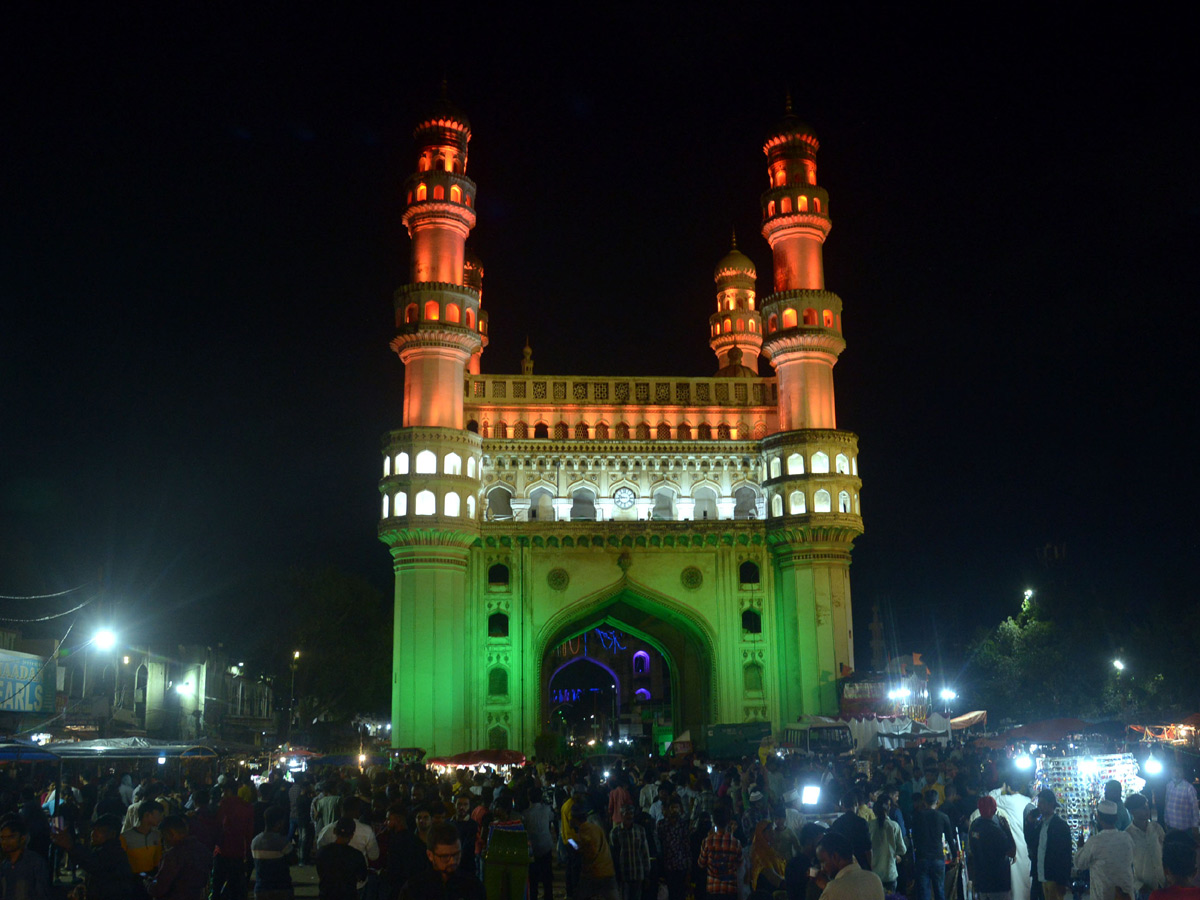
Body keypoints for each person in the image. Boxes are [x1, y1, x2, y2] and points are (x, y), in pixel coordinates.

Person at [51, 813, 137, 900]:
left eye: (100, 830)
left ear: (113, 834)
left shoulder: (113, 853)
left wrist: (71, 846)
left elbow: (93, 862)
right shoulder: (101, 850)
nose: (93, 834)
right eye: (94, 830)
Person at [398, 821, 485, 900]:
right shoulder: (414, 889)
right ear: (430, 855)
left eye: (456, 854)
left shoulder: (473, 886)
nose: (453, 861)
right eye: (445, 856)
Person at [1075, 800, 1135, 900]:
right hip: (1125, 895)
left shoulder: (1095, 842)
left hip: (1103, 895)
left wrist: (1080, 847)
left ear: (1098, 818)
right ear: (1116, 818)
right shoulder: (1126, 838)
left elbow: (1080, 864)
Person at [148, 815, 212, 900]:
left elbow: (160, 888)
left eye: (164, 836)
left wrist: (150, 885)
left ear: (171, 834)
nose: (164, 840)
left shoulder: (174, 855)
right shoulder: (203, 849)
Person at [1024, 789, 1072, 900]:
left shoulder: (1060, 826)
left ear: (1051, 804)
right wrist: (1030, 823)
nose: (1039, 805)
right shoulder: (1041, 825)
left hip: (1053, 879)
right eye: (1039, 802)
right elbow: (1031, 843)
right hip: (1039, 877)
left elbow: (1065, 855)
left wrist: (1063, 881)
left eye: (1042, 802)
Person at [911, 789, 958, 900]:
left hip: (922, 857)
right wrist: (955, 856)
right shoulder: (943, 817)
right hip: (937, 858)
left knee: (924, 893)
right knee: (939, 891)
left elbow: (914, 837)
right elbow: (950, 839)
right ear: (937, 802)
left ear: (924, 802)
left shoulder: (917, 816)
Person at [812, 831, 884, 900]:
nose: (822, 868)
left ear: (835, 857)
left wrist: (828, 888)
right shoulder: (875, 879)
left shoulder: (832, 890)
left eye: (823, 862)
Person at [968, 796, 1015, 900]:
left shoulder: (974, 826)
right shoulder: (996, 831)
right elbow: (1012, 852)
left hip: (982, 882)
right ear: (994, 809)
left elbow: (972, 850)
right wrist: (1007, 830)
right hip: (998, 882)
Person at [215, 781, 256, 900]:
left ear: (228, 791)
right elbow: (249, 832)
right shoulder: (247, 806)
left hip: (222, 850)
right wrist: (248, 851)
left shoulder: (223, 805)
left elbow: (218, 827)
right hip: (239, 851)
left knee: (218, 883)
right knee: (237, 884)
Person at [572, 803, 619, 900]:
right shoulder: (596, 827)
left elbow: (589, 851)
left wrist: (571, 842)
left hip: (594, 872)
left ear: (574, 819)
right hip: (608, 869)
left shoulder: (584, 830)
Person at [251, 806, 298, 900]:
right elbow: (294, 860)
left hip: (261, 889)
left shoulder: (255, 841)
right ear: (278, 823)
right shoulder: (282, 842)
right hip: (281, 888)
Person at [0, 815, 51, 899]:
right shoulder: (4, 865)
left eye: (11, 837)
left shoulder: (35, 863)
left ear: (22, 838)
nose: (6, 842)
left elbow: (42, 893)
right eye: (2, 838)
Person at [316, 817, 367, 900]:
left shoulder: (322, 852)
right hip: (348, 896)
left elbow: (320, 871)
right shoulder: (356, 855)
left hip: (326, 895)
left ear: (335, 831)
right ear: (352, 835)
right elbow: (362, 876)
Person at [697, 807, 742, 899]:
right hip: (730, 889)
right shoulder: (735, 843)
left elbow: (701, 864)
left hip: (713, 889)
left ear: (714, 820)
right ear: (728, 821)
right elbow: (740, 863)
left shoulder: (707, 841)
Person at [1127, 793, 1165, 899]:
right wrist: (1138, 885)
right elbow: (1125, 867)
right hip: (1144, 889)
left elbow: (1166, 852)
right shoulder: (1128, 835)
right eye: (1142, 808)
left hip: (1163, 883)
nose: (1146, 810)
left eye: (1147, 807)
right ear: (1132, 811)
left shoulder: (1156, 828)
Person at [610, 802, 650, 900]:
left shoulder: (640, 830)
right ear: (621, 815)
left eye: (631, 813)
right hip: (623, 874)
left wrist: (647, 873)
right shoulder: (615, 832)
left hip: (638, 873)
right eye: (626, 813)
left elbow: (645, 853)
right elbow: (613, 856)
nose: (629, 816)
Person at [521, 785, 554, 900]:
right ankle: (548, 897)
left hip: (532, 849)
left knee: (533, 878)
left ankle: (533, 897)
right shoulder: (547, 809)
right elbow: (551, 818)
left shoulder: (525, 814)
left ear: (529, 798)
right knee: (547, 877)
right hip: (546, 845)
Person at [868, 795, 907, 891]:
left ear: (874, 811)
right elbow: (903, 850)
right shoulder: (894, 826)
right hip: (890, 873)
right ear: (888, 810)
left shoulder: (869, 826)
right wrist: (895, 854)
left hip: (874, 873)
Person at [657, 796, 692, 900]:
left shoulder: (683, 825)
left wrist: (688, 868)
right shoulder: (662, 825)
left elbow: (687, 847)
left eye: (677, 807)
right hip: (667, 865)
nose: (674, 810)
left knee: (680, 894)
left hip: (681, 864)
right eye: (672, 807)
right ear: (668, 809)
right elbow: (659, 845)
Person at [122, 797, 165, 878]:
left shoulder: (157, 836)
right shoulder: (125, 837)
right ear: (147, 815)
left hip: (150, 878)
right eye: (159, 814)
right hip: (132, 880)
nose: (161, 818)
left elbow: (157, 861)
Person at [827, 793, 871, 871]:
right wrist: (871, 867)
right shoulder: (862, 822)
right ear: (856, 804)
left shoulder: (837, 823)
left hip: (843, 866)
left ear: (843, 806)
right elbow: (867, 848)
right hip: (861, 865)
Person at [747, 819, 787, 897]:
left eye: (772, 830)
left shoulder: (770, 850)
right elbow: (772, 876)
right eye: (769, 831)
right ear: (761, 834)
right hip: (765, 893)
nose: (773, 833)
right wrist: (789, 885)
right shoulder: (759, 852)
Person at [1165, 764, 1199, 835]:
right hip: (1171, 826)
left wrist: (1195, 826)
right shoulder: (1169, 785)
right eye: (1174, 771)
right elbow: (1167, 804)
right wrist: (1166, 820)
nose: (1176, 774)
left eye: (1179, 771)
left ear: (1182, 773)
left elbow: (1195, 808)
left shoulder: (1189, 788)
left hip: (1185, 828)